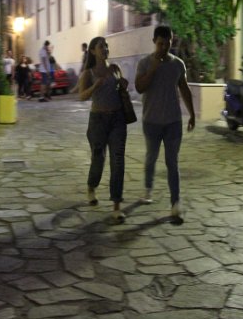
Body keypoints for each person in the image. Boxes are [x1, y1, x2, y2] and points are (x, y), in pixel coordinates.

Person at [134, 25, 195, 224]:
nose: (164, 47)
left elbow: (184, 88)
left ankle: (175, 203)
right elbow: (139, 87)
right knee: (151, 157)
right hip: (151, 121)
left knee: (172, 162)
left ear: (172, 41)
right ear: (154, 42)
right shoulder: (144, 63)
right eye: (160, 43)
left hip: (173, 122)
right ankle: (148, 189)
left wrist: (192, 114)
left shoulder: (178, 64)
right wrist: (153, 68)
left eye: (168, 43)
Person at [78, 37, 129, 222]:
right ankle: (91, 186)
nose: (105, 49)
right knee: (98, 159)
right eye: (101, 46)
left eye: (106, 46)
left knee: (118, 161)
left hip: (117, 119)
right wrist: (95, 86)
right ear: (92, 51)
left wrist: (123, 86)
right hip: (98, 120)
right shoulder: (89, 73)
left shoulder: (114, 69)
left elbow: (122, 91)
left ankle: (116, 205)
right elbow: (81, 96)